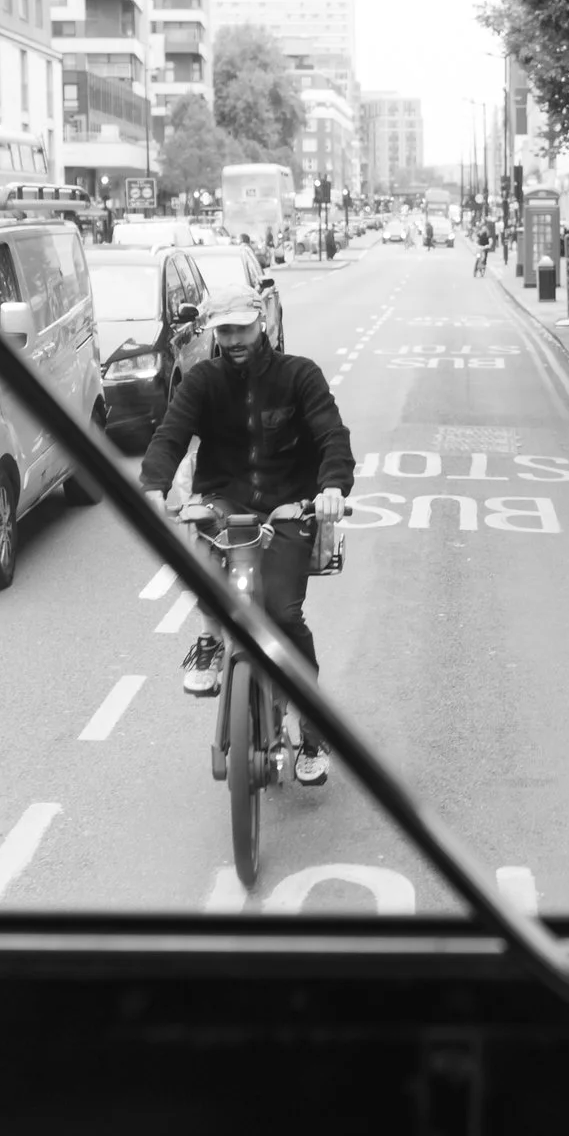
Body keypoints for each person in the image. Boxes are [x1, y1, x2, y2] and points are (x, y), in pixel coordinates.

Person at [140, 303, 356, 785]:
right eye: (225, 330)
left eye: (242, 328)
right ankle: (211, 637)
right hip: (224, 501)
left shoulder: (300, 375)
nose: (234, 339)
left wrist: (332, 488)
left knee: (282, 615)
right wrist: (153, 485)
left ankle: (312, 731)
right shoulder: (202, 381)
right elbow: (172, 433)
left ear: (262, 324)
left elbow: (330, 435)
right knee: (199, 550)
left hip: (288, 508)